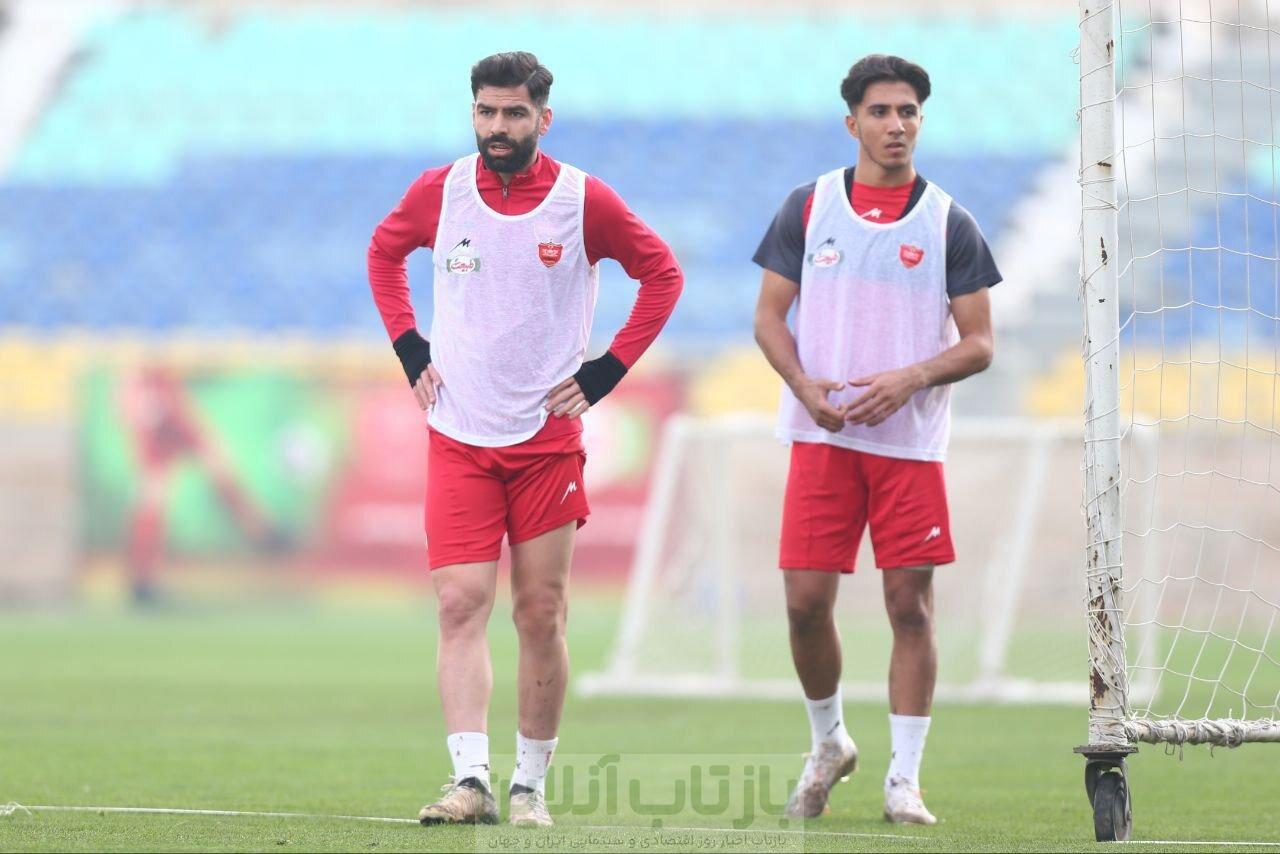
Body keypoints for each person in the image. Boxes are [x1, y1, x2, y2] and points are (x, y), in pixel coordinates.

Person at [366, 51, 682, 828]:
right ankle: (470, 780)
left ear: (544, 117)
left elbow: (662, 274)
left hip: (545, 441)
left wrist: (606, 370)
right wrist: (409, 347)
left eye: (513, 113)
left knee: (540, 612)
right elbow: (383, 253)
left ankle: (529, 786)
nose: (497, 127)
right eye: (486, 111)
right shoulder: (440, 191)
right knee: (459, 601)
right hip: (459, 435)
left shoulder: (582, 200)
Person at [752, 54, 1000, 824]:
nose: (897, 125)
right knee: (804, 605)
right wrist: (803, 386)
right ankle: (829, 742)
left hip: (908, 449)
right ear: (852, 121)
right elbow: (768, 317)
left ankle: (905, 780)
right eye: (882, 111)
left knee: (910, 607)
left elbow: (980, 343)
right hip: (820, 438)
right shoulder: (808, 207)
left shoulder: (949, 222)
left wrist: (911, 377)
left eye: (908, 112)